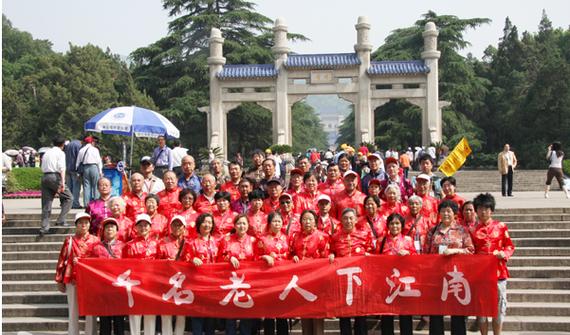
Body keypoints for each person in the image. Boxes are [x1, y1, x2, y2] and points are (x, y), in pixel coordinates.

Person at [425, 200, 474, 335]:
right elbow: (426, 253)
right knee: (436, 311)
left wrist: (455, 251)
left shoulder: (462, 231)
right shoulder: (432, 231)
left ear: (455, 214)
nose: (445, 214)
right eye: (443, 211)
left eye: (449, 211)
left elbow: (470, 250)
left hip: (456, 277)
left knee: (457, 311)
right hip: (437, 277)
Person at [471, 193, 515, 335]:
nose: (483, 211)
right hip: (479, 275)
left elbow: (510, 246)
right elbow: (470, 250)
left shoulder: (501, 226)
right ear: (476, 210)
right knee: (482, 310)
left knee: (498, 308)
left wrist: (505, 254)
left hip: (498, 273)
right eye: (480, 208)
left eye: (486, 208)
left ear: (492, 210)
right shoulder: (472, 230)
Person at [329, 208, 372, 335]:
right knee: (344, 315)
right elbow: (331, 251)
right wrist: (331, 254)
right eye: (345, 218)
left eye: (351, 218)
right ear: (341, 220)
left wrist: (368, 255)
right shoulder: (335, 236)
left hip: (360, 280)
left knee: (361, 314)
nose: (348, 221)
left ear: (355, 220)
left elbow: (372, 252)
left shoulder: (364, 234)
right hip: (342, 281)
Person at [218, 215, 263, 335]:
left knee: (246, 313)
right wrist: (229, 257)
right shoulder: (226, 240)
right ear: (234, 226)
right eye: (239, 223)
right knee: (230, 314)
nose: (241, 226)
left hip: (248, 281)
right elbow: (219, 256)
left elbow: (258, 258)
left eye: (244, 223)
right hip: (230, 281)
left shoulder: (254, 241)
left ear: (248, 226)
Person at [55, 212, 99, 335]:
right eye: (80, 223)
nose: (83, 225)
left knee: (91, 310)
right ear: (76, 225)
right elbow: (62, 260)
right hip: (72, 279)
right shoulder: (69, 241)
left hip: (90, 281)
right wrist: (59, 280)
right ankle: (73, 332)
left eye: (86, 222)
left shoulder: (96, 241)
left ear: (90, 225)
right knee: (73, 309)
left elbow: (100, 260)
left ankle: (91, 332)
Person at [290, 210, 329, 335]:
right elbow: (290, 252)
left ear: (315, 222)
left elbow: (326, 257)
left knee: (317, 315)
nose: (307, 222)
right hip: (300, 280)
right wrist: (293, 257)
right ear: (300, 222)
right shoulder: (295, 237)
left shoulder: (322, 236)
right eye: (305, 219)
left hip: (317, 280)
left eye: (310, 219)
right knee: (304, 313)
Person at [376, 213, 416, 335]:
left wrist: (409, 254)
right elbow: (375, 260)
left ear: (402, 225)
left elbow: (417, 259)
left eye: (397, 223)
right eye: (392, 223)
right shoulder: (381, 240)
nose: (394, 226)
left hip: (404, 283)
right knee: (387, 316)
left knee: (405, 316)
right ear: (388, 225)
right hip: (387, 284)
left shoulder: (408, 240)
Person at [180, 213, 218, 335]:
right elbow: (182, 261)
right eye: (204, 222)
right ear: (199, 224)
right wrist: (192, 260)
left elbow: (224, 256)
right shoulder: (191, 242)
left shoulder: (217, 242)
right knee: (197, 315)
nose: (207, 225)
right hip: (196, 283)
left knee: (211, 316)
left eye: (210, 222)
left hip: (213, 284)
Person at [88, 217, 127, 335]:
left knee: (119, 321)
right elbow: (89, 265)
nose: (109, 229)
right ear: (103, 231)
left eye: (112, 227)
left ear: (117, 230)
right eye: (107, 227)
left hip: (119, 289)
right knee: (104, 321)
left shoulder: (124, 247)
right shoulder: (96, 248)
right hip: (103, 289)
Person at [125, 213, 159, 335]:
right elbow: (124, 266)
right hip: (135, 284)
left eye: (146, 225)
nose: (143, 228)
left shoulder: (157, 244)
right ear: (136, 228)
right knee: (135, 314)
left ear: (150, 227)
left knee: (150, 315)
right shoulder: (129, 245)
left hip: (152, 284)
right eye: (140, 225)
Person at [258, 211, 290, 335]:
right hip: (268, 279)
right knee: (269, 313)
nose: (277, 224)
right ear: (269, 224)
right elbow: (256, 256)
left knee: (282, 311)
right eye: (274, 221)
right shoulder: (262, 239)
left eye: (279, 221)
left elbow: (291, 254)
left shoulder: (286, 238)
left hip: (283, 278)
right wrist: (264, 257)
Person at [157, 215, 188, 335]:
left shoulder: (188, 242)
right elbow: (157, 261)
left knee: (181, 312)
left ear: (184, 227)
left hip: (184, 280)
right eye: (174, 224)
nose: (177, 227)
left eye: (180, 225)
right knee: (166, 310)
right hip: (167, 281)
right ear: (170, 226)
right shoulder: (162, 242)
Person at [40, 135, 73, 236]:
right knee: (69, 198)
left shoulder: (47, 152)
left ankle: (44, 227)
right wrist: (63, 182)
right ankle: (61, 219)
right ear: (63, 145)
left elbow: (42, 166)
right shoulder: (60, 153)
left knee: (46, 203)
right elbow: (62, 168)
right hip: (55, 177)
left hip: (45, 177)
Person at [77, 136, 103, 206]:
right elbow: (99, 161)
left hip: (85, 168)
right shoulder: (95, 150)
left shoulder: (81, 150)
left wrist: (78, 173)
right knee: (95, 185)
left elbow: (78, 162)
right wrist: (100, 171)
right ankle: (96, 203)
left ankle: (86, 204)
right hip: (94, 167)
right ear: (92, 142)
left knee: (86, 186)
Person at [64, 139, 83, 208]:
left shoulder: (68, 145)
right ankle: (75, 203)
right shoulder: (79, 145)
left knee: (69, 187)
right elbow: (79, 157)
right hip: (75, 169)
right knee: (76, 187)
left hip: (67, 168)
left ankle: (68, 204)